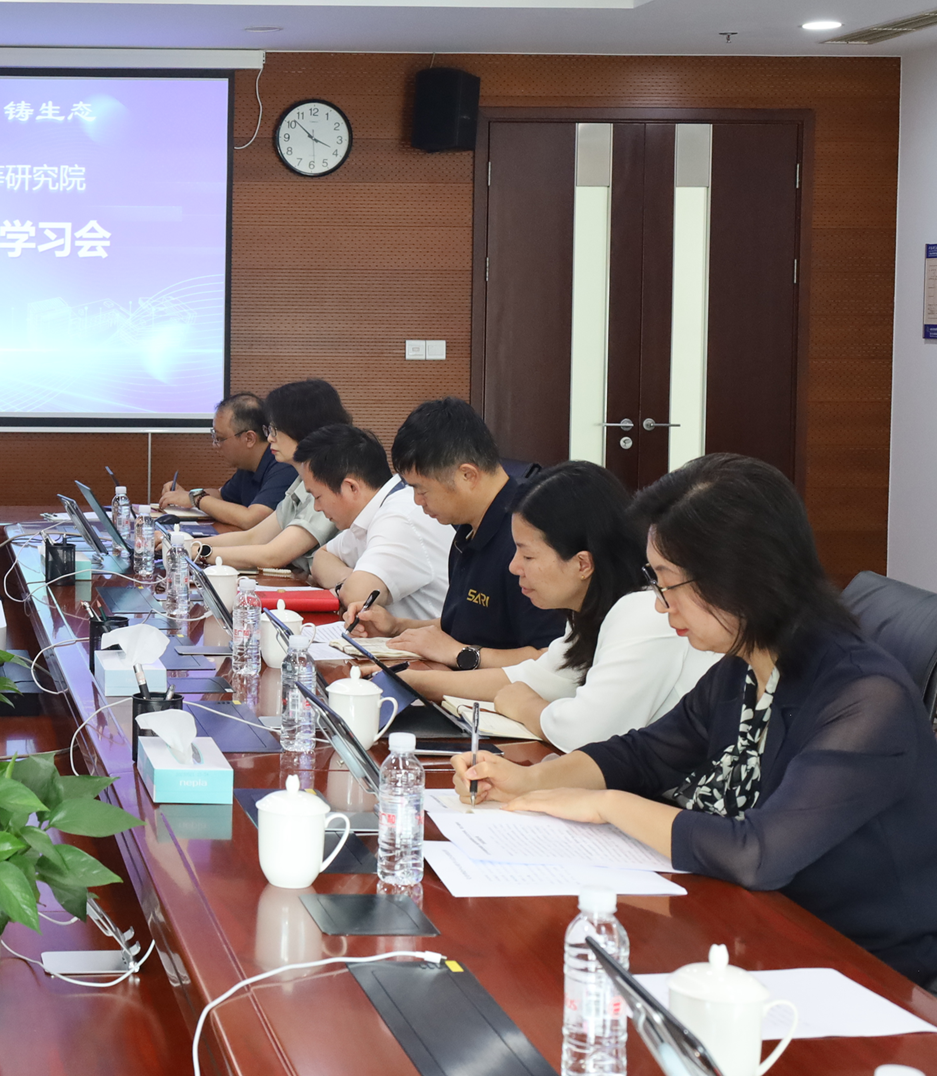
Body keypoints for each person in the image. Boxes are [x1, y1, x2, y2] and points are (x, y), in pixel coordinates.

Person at [453, 455, 937, 987]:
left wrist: (606, 805)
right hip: (747, 928)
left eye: (667, 583)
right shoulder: (744, 667)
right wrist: (532, 780)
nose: (662, 607)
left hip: (860, 970)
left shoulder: (865, 699)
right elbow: (643, 754)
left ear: (739, 577)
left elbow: (757, 853)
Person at [399, 461, 719, 750]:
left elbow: (585, 733)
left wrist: (527, 707)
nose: (514, 567)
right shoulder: (591, 612)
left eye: (527, 555)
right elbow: (538, 677)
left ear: (582, 564)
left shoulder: (644, 613)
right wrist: (413, 682)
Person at [357, 398, 563, 667]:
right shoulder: (466, 529)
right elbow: (464, 626)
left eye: (422, 489)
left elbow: (551, 658)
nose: (418, 501)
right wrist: (396, 627)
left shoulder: (526, 538)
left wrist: (461, 654)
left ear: (467, 475)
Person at [295, 423, 451, 625]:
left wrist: (350, 587)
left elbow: (357, 595)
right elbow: (321, 558)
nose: (316, 507)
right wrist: (348, 580)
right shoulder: (373, 511)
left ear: (351, 487)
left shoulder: (399, 516)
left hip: (435, 642)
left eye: (317, 497)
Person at [197, 379, 346, 570]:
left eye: (275, 430)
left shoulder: (331, 482)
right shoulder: (301, 481)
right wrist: (185, 544)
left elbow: (273, 556)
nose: (269, 438)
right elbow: (253, 537)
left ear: (303, 430)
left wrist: (198, 552)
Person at [154, 392, 288, 530]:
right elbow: (221, 496)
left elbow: (252, 519)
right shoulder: (248, 464)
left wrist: (196, 499)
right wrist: (187, 495)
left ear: (249, 439)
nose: (215, 445)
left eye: (220, 438)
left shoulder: (283, 464)